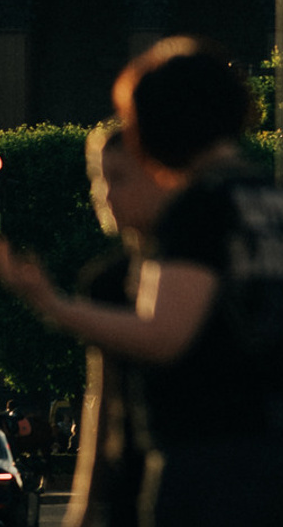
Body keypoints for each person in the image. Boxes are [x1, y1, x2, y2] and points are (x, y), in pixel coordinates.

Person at [0, 37, 283, 527]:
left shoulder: (198, 206)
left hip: (203, 456)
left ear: (164, 123)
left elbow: (165, 335)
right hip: (271, 449)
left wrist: (52, 303)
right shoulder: (271, 197)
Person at [63, 122, 170, 527]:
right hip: (127, 487)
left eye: (120, 178)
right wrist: (85, 506)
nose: (106, 195)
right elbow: (102, 398)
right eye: (99, 179)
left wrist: (50, 303)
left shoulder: (193, 268)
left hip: (189, 483)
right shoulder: (105, 281)